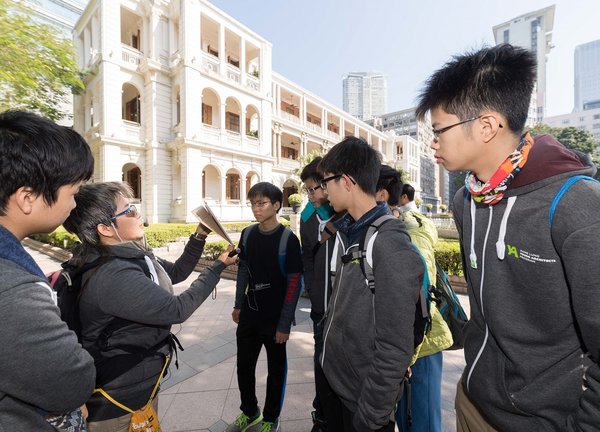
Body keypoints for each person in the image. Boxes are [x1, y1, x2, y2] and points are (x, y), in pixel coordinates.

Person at [416, 43, 600, 431]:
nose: (434, 143)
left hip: (545, 420)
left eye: (439, 131)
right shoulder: (467, 201)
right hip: (473, 402)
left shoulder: (576, 205)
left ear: (486, 126)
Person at [62, 181, 237, 431]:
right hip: (117, 398)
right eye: (128, 211)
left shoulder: (130, 254)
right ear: (105, 228)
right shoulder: (114, 274)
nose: (137, 213)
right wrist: (217, 267)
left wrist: (200, 234)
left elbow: (176, 273)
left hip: (139, 385)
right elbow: (177, 309)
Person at [316, 137, 425, 432]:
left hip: (361, 404)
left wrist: (371, 417)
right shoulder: (351, 231)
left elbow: (395, 347)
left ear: (348, 181)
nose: (324, 192)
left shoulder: (388, 243)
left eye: (327, 182)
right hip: (339, 388)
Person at [0, 109, 96, 431]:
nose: (73, 204)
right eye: (73, 193)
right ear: (27, 197)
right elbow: (72, 380)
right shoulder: (13, 288)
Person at [376, 170, 453, 432]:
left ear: (382, 195)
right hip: (404, 349)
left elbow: (423, 302)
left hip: (423, 346)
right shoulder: (389, 228)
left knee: (423, 421)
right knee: (407, 419)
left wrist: (409, 356)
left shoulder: (411, 232)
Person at [227, 182, 303, 432]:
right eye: (253, 203)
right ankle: (250, 412)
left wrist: (284, 324)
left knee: (276, 371)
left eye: (261, 203)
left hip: (274, 318)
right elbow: (243, 273)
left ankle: (271, 417)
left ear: (277, 205)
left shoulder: (288, 239)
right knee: (244, 367)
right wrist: (239, 304)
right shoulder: (248, 234)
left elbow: (294, 285)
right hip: (250, 313)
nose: (256, 209)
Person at [299, 157, 341, 432]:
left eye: (314, 189)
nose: (311, 195)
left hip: (346, 308)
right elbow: (308, 258)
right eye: (307, 190)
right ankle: (322, 415)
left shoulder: (347, 213)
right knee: (320, 362)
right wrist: (315, 296)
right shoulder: (307, 217)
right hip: (321, 307)